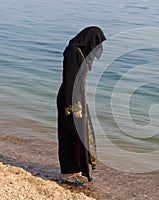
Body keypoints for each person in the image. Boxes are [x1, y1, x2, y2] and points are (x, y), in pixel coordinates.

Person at [56, 26, 106, 185]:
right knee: (70, 136)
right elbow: (70, 81)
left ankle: (77, 170)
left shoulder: (81, 52)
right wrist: (74, 107)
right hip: (69, 100)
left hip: (78, 98)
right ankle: (67, 174)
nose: (97, 47)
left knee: (79, 136)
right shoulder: (73, 53)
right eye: (97, 43)